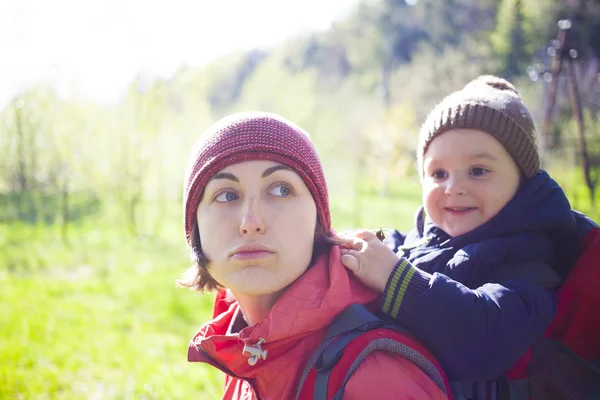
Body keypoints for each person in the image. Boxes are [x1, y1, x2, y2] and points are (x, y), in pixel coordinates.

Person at [178, 112, 448, 400]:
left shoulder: (372, 376)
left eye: (281, 190)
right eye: (227, 195)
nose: (251, 221)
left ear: (318, 219)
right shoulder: (243, 343)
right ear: (195, 228)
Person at [339, 76, 583, 387]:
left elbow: (483, 338)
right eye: (438, 173)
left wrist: (395, 277)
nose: (454, 188)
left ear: (523, 181)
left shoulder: (528, 261)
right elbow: (406, 246)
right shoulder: (427, 235)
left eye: (478, 171)